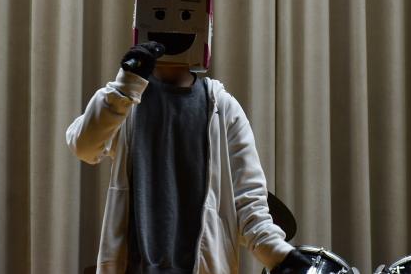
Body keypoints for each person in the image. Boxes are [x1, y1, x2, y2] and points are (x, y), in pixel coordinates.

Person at [66, 41, 313, 273]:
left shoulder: (223, 108)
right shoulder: (126, 99)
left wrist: (280, 256)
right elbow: (84, 146)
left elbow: (250, 204)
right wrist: (125, 86)